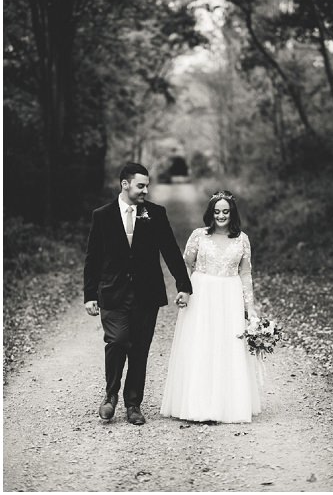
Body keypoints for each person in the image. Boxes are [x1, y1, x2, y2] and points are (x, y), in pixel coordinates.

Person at [84, 162, 192, 425]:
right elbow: (93, 257)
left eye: (147, 185)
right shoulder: (102, 215)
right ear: (125, 184)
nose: (146, 190)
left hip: (146, 293)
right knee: (118, 340)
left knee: (140, 350)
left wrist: (184, 285)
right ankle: (110, 395)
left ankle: (134, 404)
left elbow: (169, 249)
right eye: (141, 185)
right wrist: (90, 294)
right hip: (113, 292)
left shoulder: (155, 213)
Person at [160, 190, 262, 423]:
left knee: (227, 347)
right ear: (211, 213)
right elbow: (185, 265)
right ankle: (197, 404)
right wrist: (184, 290)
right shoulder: (199, 236)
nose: (221, 215)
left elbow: (245, 274)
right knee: (201, 344)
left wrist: (251, 308)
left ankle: (226, 405)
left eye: (226, 211)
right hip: (202, 294)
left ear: (232, 214)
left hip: (230, 295)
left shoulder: (242, 239)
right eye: (217, 211)